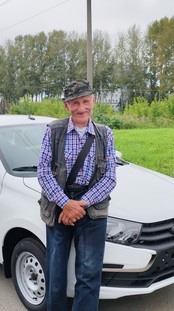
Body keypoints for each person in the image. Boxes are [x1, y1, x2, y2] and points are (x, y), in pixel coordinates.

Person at [37, 79, 117, 311]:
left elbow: (110, 177)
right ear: (66, 106)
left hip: (91, 206)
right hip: (58, 203)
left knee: (89, 273)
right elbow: (42, 172)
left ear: (93, 100)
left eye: (85, 101)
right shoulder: (53, 131)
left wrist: (79, 204)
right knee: (55, 272)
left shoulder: (105, 134)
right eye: (75, 103)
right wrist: (65, 203)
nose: (81, 108)